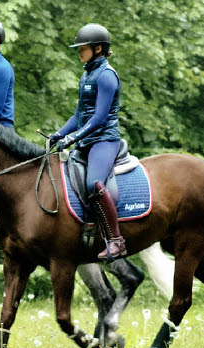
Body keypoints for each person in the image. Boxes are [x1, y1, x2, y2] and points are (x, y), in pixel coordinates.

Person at [48, 23, 126, 261]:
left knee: (94, 184)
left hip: (104, 140)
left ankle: (116, 241)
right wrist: (59, 134)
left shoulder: (106, 76)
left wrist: (73, 138)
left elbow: (99, 117)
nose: (79, 52)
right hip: (88, 140)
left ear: (98, 48)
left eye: (83, 48)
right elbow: (79, 115)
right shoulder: (87, 74)